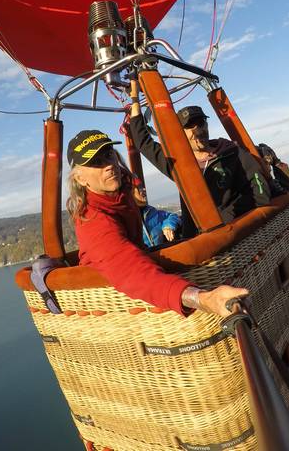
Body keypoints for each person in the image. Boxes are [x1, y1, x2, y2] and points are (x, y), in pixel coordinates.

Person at [66, 129, 247, 317]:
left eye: (109, 155)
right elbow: (129, 270)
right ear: (80, 178)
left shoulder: (120, 195)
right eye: (96, 163)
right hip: (117, 293)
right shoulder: (93, 219)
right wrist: (202, 299)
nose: (109, 166)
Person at [129, 82, 271, 237]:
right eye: (190, 126)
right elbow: (143, 142)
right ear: (181, 133)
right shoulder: (178, 164)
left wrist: (226, 218)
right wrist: (135, 99)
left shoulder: (230, 151)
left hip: (237, 231)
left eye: (201, 123)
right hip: (201, 238)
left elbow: (258, 187)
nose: (198, 130)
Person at [132, 178, 181, 247]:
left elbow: (172, 216)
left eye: (143, 186)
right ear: (130, 193)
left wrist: (167, 226)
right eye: (140, 187)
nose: (144, 189)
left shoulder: (152, 212)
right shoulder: (128, 219)